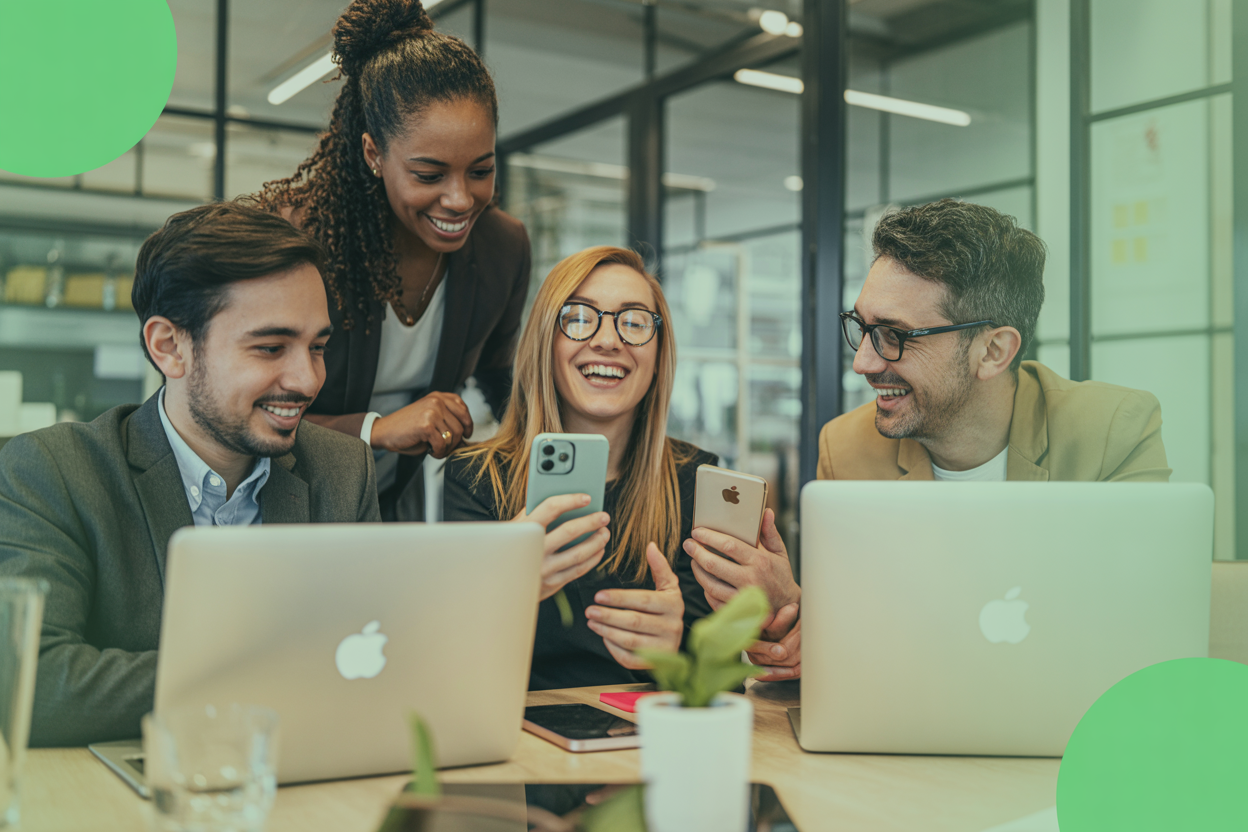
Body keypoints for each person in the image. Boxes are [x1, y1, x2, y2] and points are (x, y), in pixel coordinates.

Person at [685, 198, 1172, 681]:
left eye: (895, 335)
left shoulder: (1113, 431)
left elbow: (1150, 628)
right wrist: (791, 613)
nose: (864, 363)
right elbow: (847, 641)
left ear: (993, 351)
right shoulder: (848, 448)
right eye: (863, 328)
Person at [0, 204, 380, 747]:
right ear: (169, 347)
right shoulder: (54, 471)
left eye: (317, 347)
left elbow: (377, 659)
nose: (308, 378)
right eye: (270, 347)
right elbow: (32, 682)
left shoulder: (343, 471)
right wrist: (263, 674)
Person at [251, 0, 530, 520]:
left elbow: (499, 376)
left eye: (481, 170)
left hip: (389, 508)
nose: (460, 199)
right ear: (373, 154)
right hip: (273, 504)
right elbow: (244, 403)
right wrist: (375, 428)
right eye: (429, 175)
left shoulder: (502, 248)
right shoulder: (297, 243)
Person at [443, 246, 717, 690]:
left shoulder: (695, 480)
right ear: (545, 341)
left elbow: (722, 686)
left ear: (658, 354)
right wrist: (506, 586)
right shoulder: (476, 478)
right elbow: (446, 663)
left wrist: (679, 650)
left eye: (632, 322)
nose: (608, 341)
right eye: (578, 317)